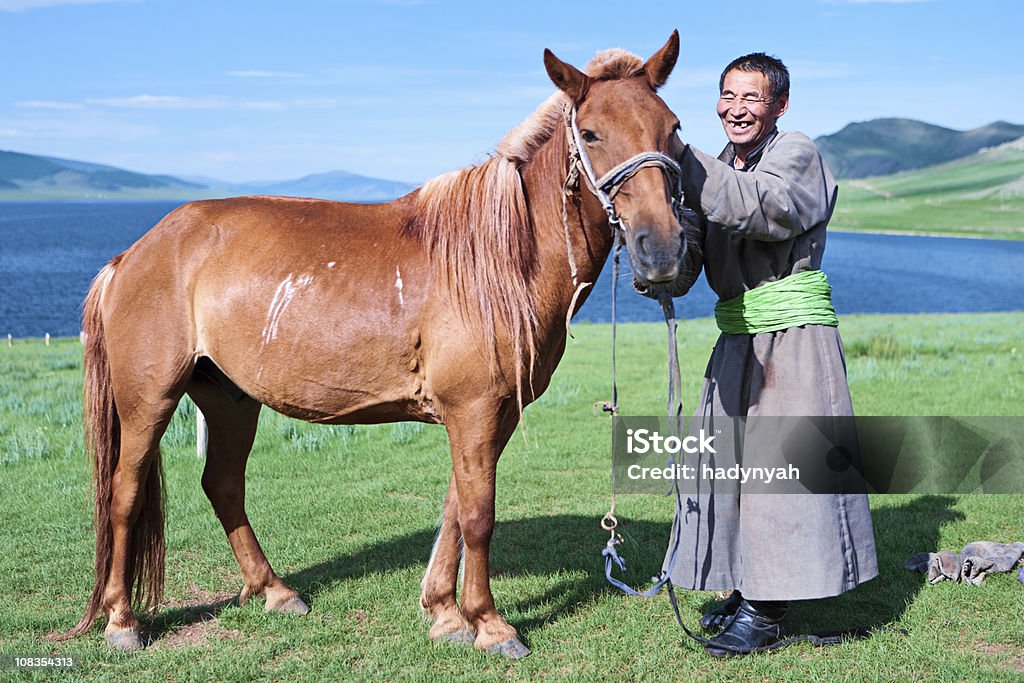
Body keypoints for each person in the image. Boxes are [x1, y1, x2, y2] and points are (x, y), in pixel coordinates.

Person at [642, 52, 879, 657]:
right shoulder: (717, 166)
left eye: (751, 98)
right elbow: (696, 253)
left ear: (779, 105)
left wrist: (676, 153)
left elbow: (762, 210)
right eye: (728, 96)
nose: (736, 109)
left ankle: (768, 612)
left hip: (793, 339)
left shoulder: (796, 152)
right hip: (737, 337)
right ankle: (749, 585)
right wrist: (660, 262)